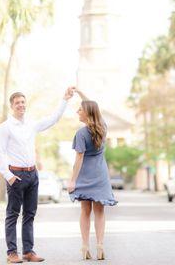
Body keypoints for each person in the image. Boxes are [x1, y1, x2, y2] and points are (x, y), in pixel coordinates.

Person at [0, 87, 74, 264]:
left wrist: (64, 99)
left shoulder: (31, 124)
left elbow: (53, 119)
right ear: (12, 106)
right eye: (17, 103)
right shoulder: (5, 128)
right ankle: (12, 253)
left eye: (23, 102)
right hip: (16, 175)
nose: (21, 105)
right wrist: (8, 176)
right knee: (12, 214)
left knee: (30, 214)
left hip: (32, 174)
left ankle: (28, 252)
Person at [68, 90, 117, 260]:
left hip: (84, 175)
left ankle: (84, 246)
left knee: (85, 211)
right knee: (100, 211)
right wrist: (79, 92)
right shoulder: (102, 127)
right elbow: (92, 104)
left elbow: (79, 158)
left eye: (80, 109)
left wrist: (72, 180)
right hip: (100, 175)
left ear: (87, 112)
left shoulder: (81, 133)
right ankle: (100, 245)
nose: (77, 112)